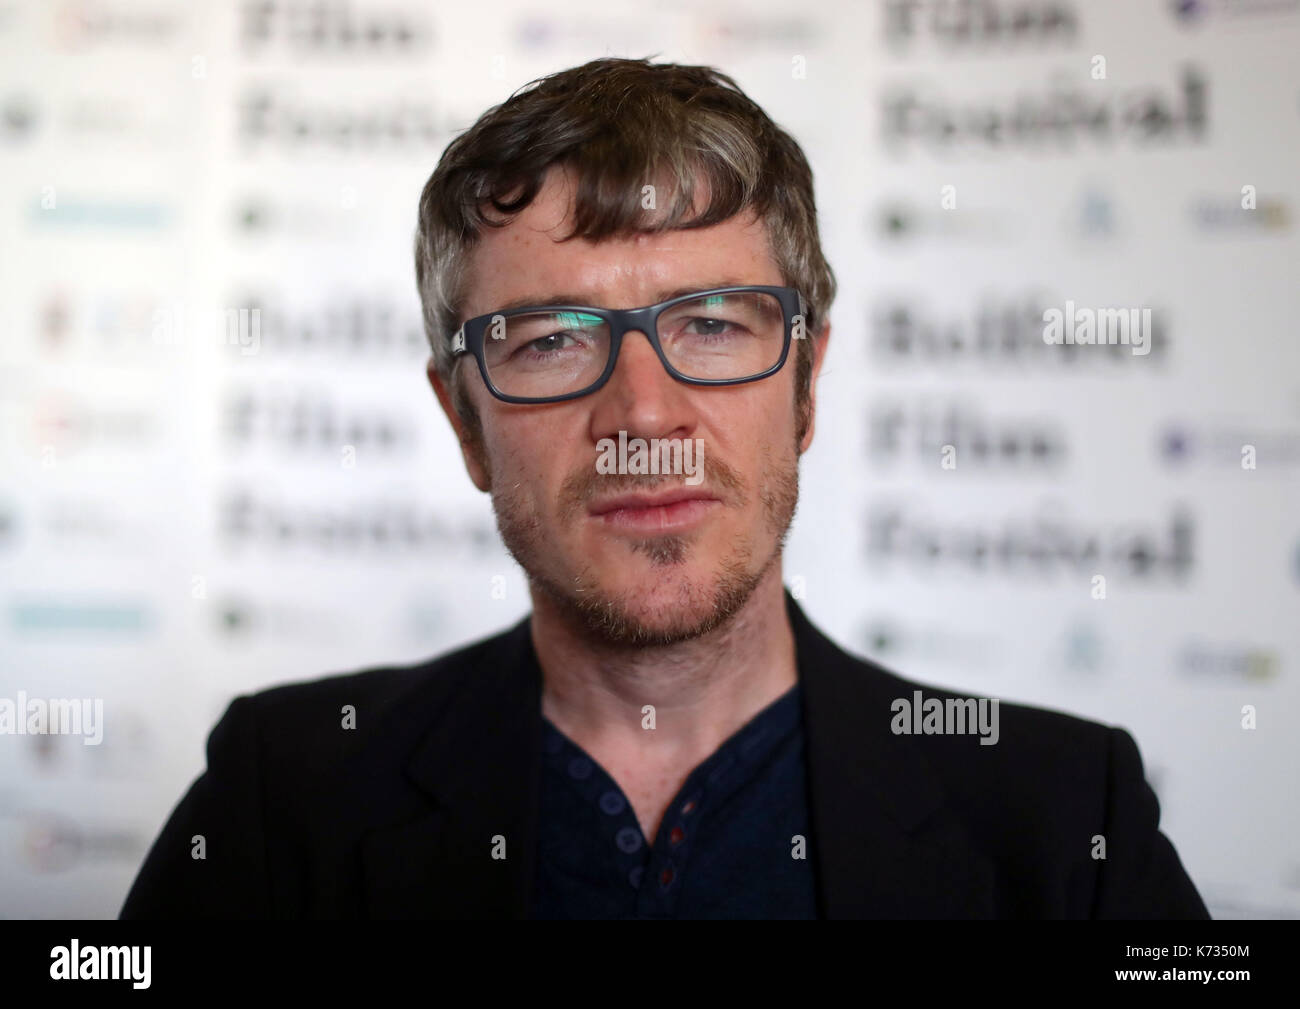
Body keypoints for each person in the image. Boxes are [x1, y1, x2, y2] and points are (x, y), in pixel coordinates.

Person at [121, 57, 1209, 919]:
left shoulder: (1067, 816)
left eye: (710, 324)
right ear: (464, 421)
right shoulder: (283, 797)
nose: (644, 414)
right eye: (548, 339)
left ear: (806, 387)